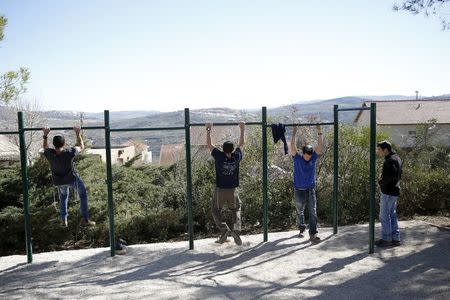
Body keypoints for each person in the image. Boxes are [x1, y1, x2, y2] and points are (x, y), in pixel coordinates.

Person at [42, 126, 95, 227]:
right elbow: (81, 146)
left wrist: (45, 135)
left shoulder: (50, 154)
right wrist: (77, 133)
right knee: (83, 194)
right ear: (64, 143)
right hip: (72, 179)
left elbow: (45, 148)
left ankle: (64, 219)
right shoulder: (69, 152)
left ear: (53, 144)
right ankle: (85, 219)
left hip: (59, 181)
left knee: (63, 197)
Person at [206, 121, 245, 245]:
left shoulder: (219, 156)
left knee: (215, 210)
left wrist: (208, 129)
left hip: (220, 190)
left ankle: (224, 230)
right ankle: (236, 232)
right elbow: (242, 144)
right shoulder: (236, 156)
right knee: (236, 210)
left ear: (223, 149)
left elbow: (209, 145)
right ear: (233, 150)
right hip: (233, 190)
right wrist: (242, 129)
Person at [290, 124, 323, 242]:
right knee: (300, 210)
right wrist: (294, 132)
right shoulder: (297, 158)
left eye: (310, 155)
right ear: (303, 153)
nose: (308, 157)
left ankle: (313, 233)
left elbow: (319, 146)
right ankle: (301, 228)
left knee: (313, 211)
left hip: (310, 189)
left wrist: (319, 132)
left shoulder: (313, 157)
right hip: (299, 189)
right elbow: (292, 147)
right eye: (306, 155)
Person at [376, 140, 402, 247]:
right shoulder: (397, 158)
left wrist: (381, 182)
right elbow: (397, 174)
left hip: (388, 192)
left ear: (385, 150)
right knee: (392, 214)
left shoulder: (390, 160)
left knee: (384, 215)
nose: (378, 152)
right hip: (394, 191)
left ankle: (386, 239)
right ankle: (395, 238)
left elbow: (391, 176)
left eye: (379, 150)